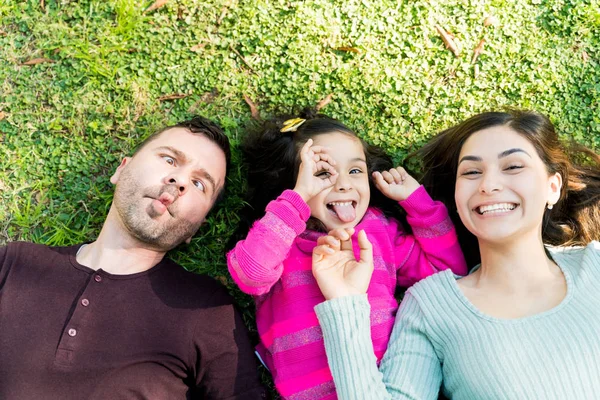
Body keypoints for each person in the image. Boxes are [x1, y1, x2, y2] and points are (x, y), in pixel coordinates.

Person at [313, 109, 600, 399]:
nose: (488, 185)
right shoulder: (431, 305)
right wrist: (344, 302)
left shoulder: (596, 264)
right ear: (458, 197)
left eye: (513, 167)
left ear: (552, 187)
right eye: (472, 172)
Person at [0, 117, 266, 399]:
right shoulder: (15, 263)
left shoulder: (206, 309)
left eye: (200, 184)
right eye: (169, 159)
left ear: (198, 224)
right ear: (121, 169)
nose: (179, 181)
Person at [227, 108, 467, 399]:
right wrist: (298, 198)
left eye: (355, 170)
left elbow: (448, 276)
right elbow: (251, 274)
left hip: (388, 385)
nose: (343, 183)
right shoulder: (279, 234)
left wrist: (419, 205)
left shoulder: (378, 232)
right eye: (323, 173)